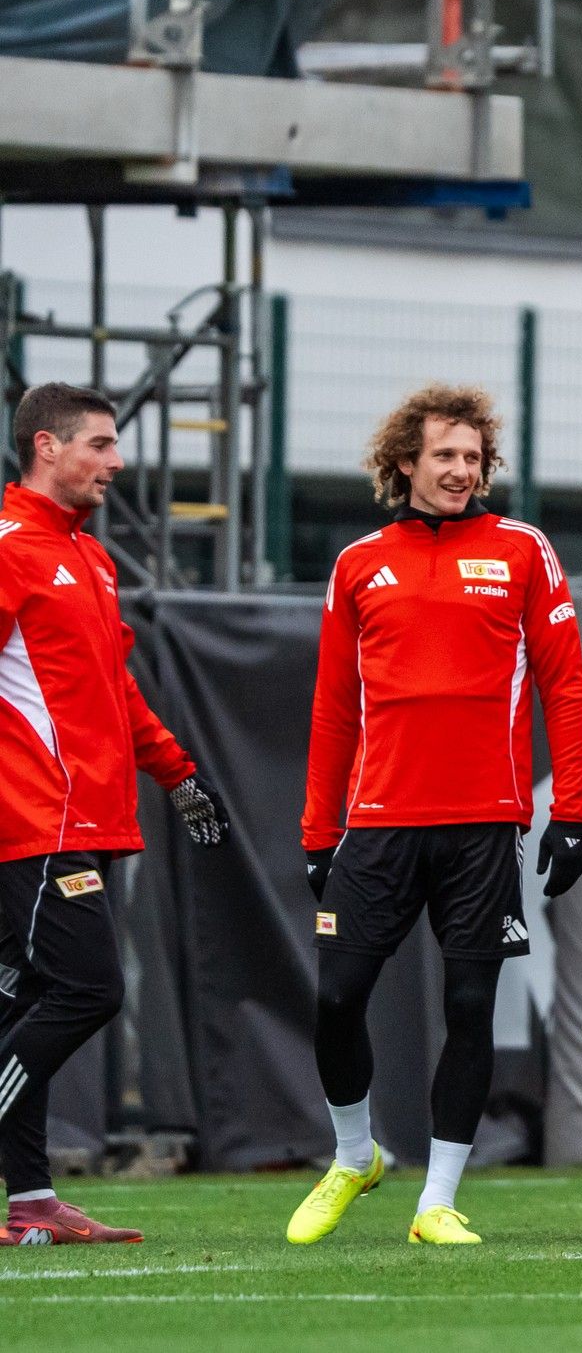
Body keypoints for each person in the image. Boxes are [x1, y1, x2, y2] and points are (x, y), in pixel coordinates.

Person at [290, 384, 582, 1247]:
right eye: (446, 455)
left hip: (484, 824)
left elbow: (565, 687)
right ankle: (355, 1155)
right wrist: (319, 831)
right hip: (378, 822)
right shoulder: (358, 563)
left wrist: (572, 811)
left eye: (474, 457)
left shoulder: (525, 549)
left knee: (470, 1002)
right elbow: (332, 708)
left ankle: (438, 1202)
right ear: (405, 464)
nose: (463, 470)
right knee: (338, 996)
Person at [0, 383, 227, 1246]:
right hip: (36, 823)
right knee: (89, 986)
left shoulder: (90, 559)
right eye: (99, 443)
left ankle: (29, 1204)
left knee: (24, 1008)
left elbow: (117, 692)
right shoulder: (13, 549)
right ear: (46, 448)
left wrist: (180, 777)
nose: (117, 461)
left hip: (77, 819)